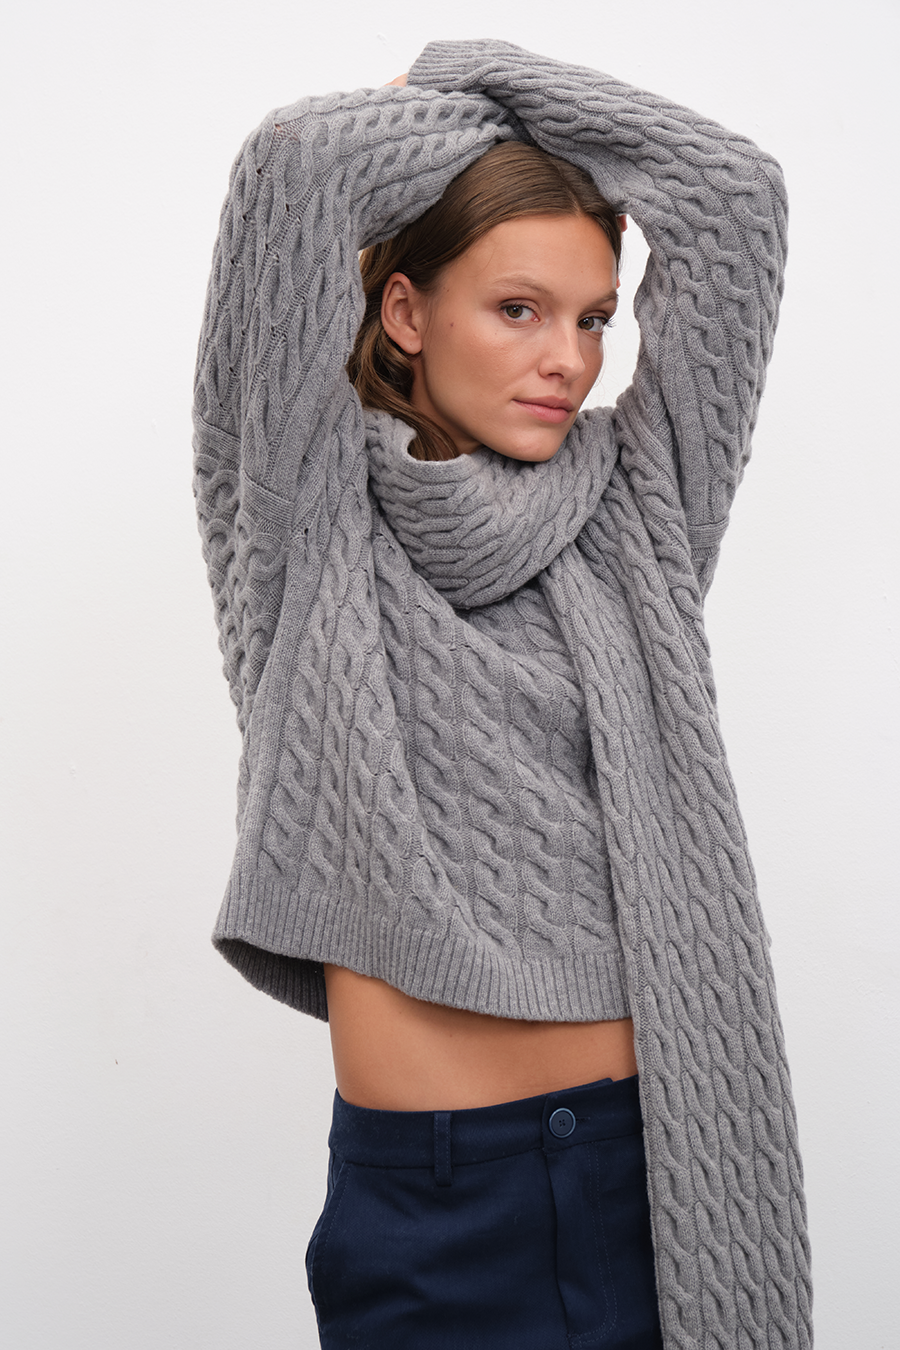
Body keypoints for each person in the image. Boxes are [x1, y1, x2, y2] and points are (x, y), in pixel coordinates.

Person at [193, 39, 811, 1350]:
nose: (567, 359)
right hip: (437, 1212)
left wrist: (483, 78)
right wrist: (450, 96)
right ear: (405, 313)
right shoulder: (306, 515)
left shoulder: (638, 505)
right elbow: (297, 169)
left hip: (652, 1177)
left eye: (592, 318)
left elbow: (735, 197)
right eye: (518, 308)